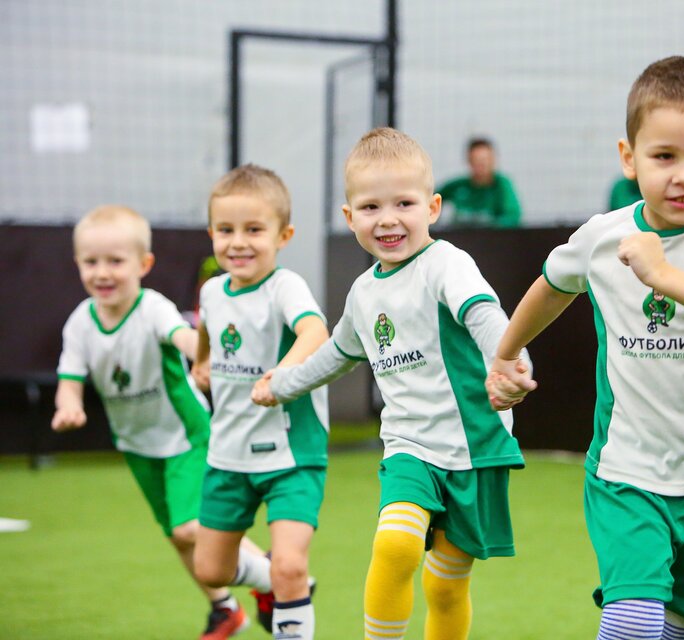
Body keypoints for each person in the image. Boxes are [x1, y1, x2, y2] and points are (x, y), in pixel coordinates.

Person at [487, 56, 684, 640]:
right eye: (664, 156)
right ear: (629, 158)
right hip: (627, 470)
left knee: (677, 626)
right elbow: (552, 284)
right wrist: (506, 353)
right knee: (633, 622)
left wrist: (665, 276)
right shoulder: (603, 236)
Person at [250, 127, 530, 640]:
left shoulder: (447, 264)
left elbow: (484, 314)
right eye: (370, 206)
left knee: (446, 586)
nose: (387, 219)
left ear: (432, 207)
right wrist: (285, 383)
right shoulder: (363, 293)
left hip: (475, 446)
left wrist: (508, 359)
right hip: (409, 445)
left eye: (404, 203)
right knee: (395, 545)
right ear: (349, 216)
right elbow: (336, 355)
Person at [52, 204, 258, 639]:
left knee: (190, 527)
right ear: (78, 264)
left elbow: (183, 336)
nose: (102, 273)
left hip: (186, 435)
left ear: (143, 264)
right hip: (136, 444)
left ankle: (273, 575)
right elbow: (69, 379)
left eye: (115, 261)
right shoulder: (80, 323)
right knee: (176, 536)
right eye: (91, 262)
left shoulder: (152, 308)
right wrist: (68, 406)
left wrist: (205, 355)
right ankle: (224, 608)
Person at [190, 165, 330, 640]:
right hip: (228, 454)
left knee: (290, 564)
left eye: (254, 230)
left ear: (283, 235)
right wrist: (202, 361)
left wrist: (280, 375)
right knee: (211, 570)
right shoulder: (212, 291)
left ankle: (287, 583)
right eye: (226, 230)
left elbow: (315, 331)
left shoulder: (284, 287)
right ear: (212, 233)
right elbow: (207, 327)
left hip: (291, 456)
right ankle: (274, 580)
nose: (238, 243)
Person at [437, 136, 522, 228]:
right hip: (460, 234)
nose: (482, 165)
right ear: (469, 161)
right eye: (477, 160)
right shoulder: (458, 186)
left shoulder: (501, 185)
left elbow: (513, 216)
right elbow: (431, 200)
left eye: (485, 160)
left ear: (493, 160)